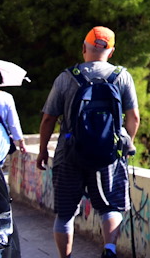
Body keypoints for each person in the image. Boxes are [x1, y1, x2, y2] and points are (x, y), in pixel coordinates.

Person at [38, 26, 139, 258]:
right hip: (108, 156)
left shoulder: (66, 77)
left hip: (69, 154)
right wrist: (124, 146)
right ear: (111, 52)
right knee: (110, 207)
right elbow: (134, 118)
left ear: (84, 48)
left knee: (65, 214)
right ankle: (110, 250)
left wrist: (43, 150)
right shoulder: (121, 76)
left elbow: (47, 119)